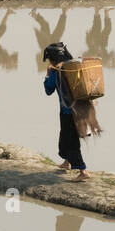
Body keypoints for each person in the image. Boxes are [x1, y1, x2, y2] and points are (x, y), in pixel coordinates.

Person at [43, 42, 99, 180]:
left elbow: (48, 90)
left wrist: (47, 75)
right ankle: (67, 162)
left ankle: (83, 171)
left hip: (69, 112)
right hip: (80, 109)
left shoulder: (57, 71)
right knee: (64, 137)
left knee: (71, 142)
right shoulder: (74, 67)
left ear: (53, 59)